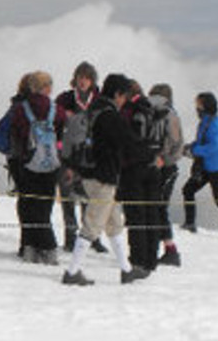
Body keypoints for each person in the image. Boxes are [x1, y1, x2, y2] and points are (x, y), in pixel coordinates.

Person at [62, 73, 146, 286]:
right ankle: (72, 272)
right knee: (92, 224)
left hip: (90, 173)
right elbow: (127, 141)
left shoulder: (94, 110)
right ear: (117, 94)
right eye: (124, 95)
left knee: (114, 222)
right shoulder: (110, 115)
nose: (124, 100)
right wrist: (147, 154)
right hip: (103, 177)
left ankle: (126, 270)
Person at [4, 71, 60, 265]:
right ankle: (49, 249)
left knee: (29, 205)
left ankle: (30, 247)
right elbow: (63, 133)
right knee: (45, 206)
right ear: (47, 87)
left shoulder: (20, 109)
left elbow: (16, 133)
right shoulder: (55, 108)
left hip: (27, 162)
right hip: (51, 164)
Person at [55, 62, 102, 256]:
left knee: (89, 198)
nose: (83, 81)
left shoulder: (99, 100)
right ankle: (70, 236)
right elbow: (54, 123)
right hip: (66, 155)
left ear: (92, 81)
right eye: (80, 77)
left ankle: (92, 237)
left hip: (90, 157)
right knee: (67, 195)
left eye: (87, 78)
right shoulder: (64, 99)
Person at [119, 81, 166, 273]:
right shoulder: (156, 111)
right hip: (154, 166)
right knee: (152, 213)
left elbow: (128, 140)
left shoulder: (131, 111)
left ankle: (138, 259)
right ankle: (151, 258)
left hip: (134, 168)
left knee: (136, 215)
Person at [182, 91, 218, 239]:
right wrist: (190, 147)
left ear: (205, 106)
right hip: (206, 166)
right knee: (188, 190)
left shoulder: (215, 124)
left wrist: (195, 150)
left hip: (216, 167)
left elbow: (215, 146)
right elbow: (202, 141)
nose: (196, 108)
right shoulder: (206, 121)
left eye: (198, 105)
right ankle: (189, 223)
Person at [146, 84, 186, 267]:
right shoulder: (169, 114)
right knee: (158, 207)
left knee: (158, 207)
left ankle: (170, 249)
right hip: (164, 166)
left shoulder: (167, 115)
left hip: (165, 168)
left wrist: (164, 159)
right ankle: (165, 248)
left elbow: (176, 145)